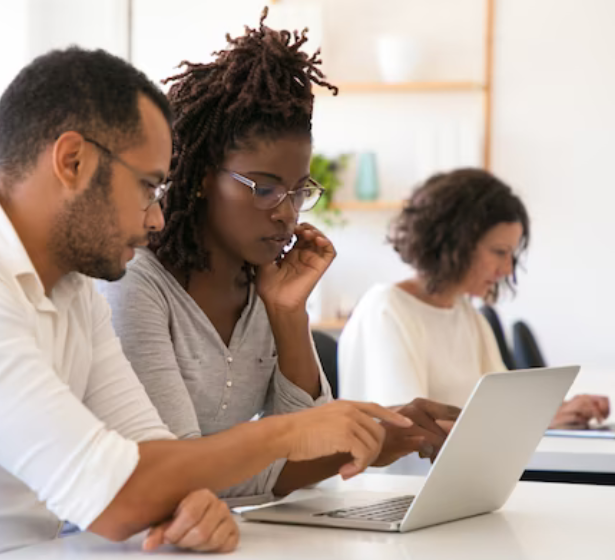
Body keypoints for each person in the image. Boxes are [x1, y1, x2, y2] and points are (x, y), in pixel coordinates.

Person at [0, 47, 416, 560]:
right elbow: (117, 498)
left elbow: (158, 459)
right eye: (147, 186)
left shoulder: (73, 291)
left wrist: (190, 501)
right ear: (72, 161)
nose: (157, 217)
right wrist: (289, 433)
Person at [101, 10, 460, 506]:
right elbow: (178, 472)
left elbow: (310, 438)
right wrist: (363, 445)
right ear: (203, 176)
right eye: (265, 189)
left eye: (298, 191)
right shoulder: (135, 285)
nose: (286, 214)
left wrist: (288, 314)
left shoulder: (263, 288)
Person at [338, 168, 610, 429]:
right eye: (499, 252)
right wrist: (536, 421)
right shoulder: (386, 309)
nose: (507, 269)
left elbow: (507, 407)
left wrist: (563, 409)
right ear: (455, 243)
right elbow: (409, 429)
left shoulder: (465, 313)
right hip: (406, 476)